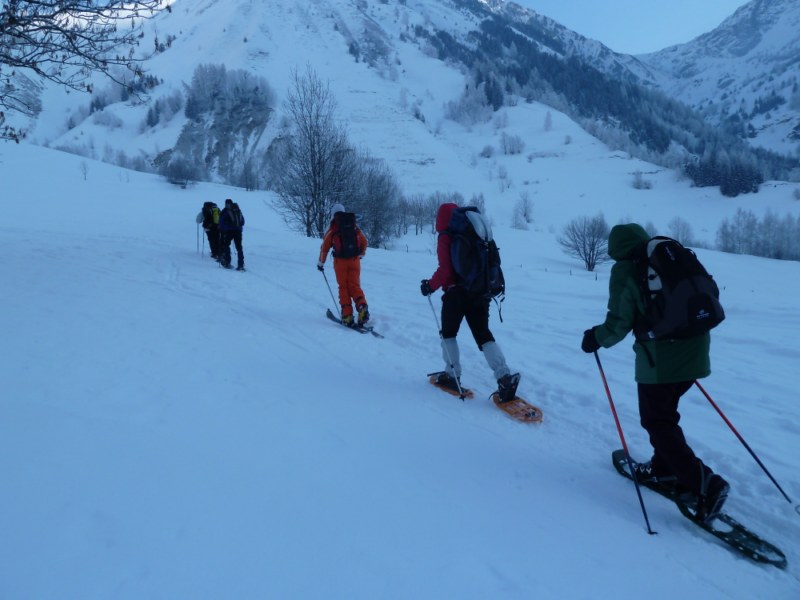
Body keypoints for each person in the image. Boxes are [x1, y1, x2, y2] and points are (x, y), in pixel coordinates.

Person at [581, 222, 729, 523]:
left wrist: (595, 338)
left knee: (657, 421)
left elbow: (619, 322)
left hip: (661, 359)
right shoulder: (669, 257)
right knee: (665, 414)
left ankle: (705, 484)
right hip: (697, 350)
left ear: (616, 249)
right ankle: (664, 468)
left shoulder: (627, 269)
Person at [420, 202, 518, 402]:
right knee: (483, 335)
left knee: (448, 334)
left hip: (456, 294)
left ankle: (452, 375)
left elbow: (445, 270)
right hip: (480, 292)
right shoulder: (475, 233)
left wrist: (430, 285)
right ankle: (504, 377)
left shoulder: (446, 237)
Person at [317, 203, 369, 326]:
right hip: (355, 261)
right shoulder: (353, 225)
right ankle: (362, 307)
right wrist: (361, 254)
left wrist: (321, 262)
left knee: (343, 287)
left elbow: (324, 247)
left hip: (340, 262)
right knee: (354, 286)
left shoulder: (333, 227)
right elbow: (364, 241)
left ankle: (347, 316)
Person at [218, 198, 245, 270]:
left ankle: (227, 262)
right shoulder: (238, 210)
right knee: (239, 248)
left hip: (228, 231)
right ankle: (241, 265)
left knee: (226, 245)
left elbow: (221, 222)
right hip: (238, 231)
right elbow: (243, 222)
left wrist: (220, 229)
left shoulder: (225, 211)